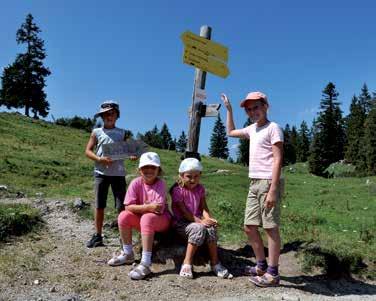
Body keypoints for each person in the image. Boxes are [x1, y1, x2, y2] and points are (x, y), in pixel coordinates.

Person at [221, 92, 284, 287]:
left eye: (256, 107)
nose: (252, 112)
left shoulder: (273, 128)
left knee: (270, 227)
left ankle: (273, 273)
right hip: (254, 183)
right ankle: (261, 265)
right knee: (249, 227)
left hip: (268, 182)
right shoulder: (252, 129)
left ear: (266, 106)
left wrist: (273, 189)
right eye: (249, 109)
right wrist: (229, 111)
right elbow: (230, 132)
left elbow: (278, 159)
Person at [107, 152, 171, 280]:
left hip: (162, 221)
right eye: (145, 167)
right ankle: (128, 253)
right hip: (145, 220)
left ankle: (145, 263)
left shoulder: (161, 184)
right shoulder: (135, 182)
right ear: (139, 169)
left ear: (159, 170)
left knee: (147, 218)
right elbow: (128, 207)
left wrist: (140, 208)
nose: (149, 170)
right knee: (123, 216)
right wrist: (147, 207)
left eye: (153, 167)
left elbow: (157, 209)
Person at [170, 158, 232, 279]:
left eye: (196, 176)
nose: (193, 180)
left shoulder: (200, 189)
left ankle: (215, 263)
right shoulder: (177, 190)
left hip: (197, 220)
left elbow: (204, 208)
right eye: (189, 176)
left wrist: (209, 219)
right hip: (182, 222)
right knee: (198, 228)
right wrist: (201, 222)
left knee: (211, 229)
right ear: (181, 175)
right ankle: (187, 263)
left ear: (200, 175)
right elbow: (184, 212)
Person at [85, 100, 135, 248]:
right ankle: (98, 235)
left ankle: (123, 238)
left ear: (117, 115)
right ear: (101, 116)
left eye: (112, 113)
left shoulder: (122, 133)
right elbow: (87, 151)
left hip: (119, 174)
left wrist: (133, 154)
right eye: (105, 114)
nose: (109, 116)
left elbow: (130, 150)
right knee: (100, 206)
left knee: (121, 207)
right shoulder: (96, 132)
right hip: (101, 173)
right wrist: (99, 158)